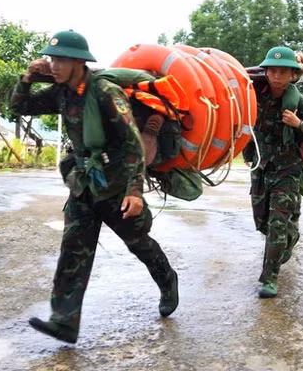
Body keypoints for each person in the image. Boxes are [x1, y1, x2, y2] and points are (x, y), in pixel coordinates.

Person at [10, 30, 178, 344]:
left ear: (78, 62)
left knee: (139, 243)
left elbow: (133, 145)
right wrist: (27, 77)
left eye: (61, 59)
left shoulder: (105, 92)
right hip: (83, 184)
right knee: (73, 250)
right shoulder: (60, 92)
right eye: (52, 58)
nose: (54, 65)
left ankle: (168, 280)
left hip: (116, 185)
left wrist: (134, 191)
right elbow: (20, 107)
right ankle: (64, 321)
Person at [242, 46, 303, 298]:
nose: (276, 76)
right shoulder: (255, 93)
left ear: (292, 75)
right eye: (272, 71)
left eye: (283, 72)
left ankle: (269, 278)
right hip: (261, 168)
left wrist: (299, 125)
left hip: (287, 169)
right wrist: (247, 154)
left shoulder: (298, 101)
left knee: (277, 223)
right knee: (262, 222)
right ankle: (291, 233)